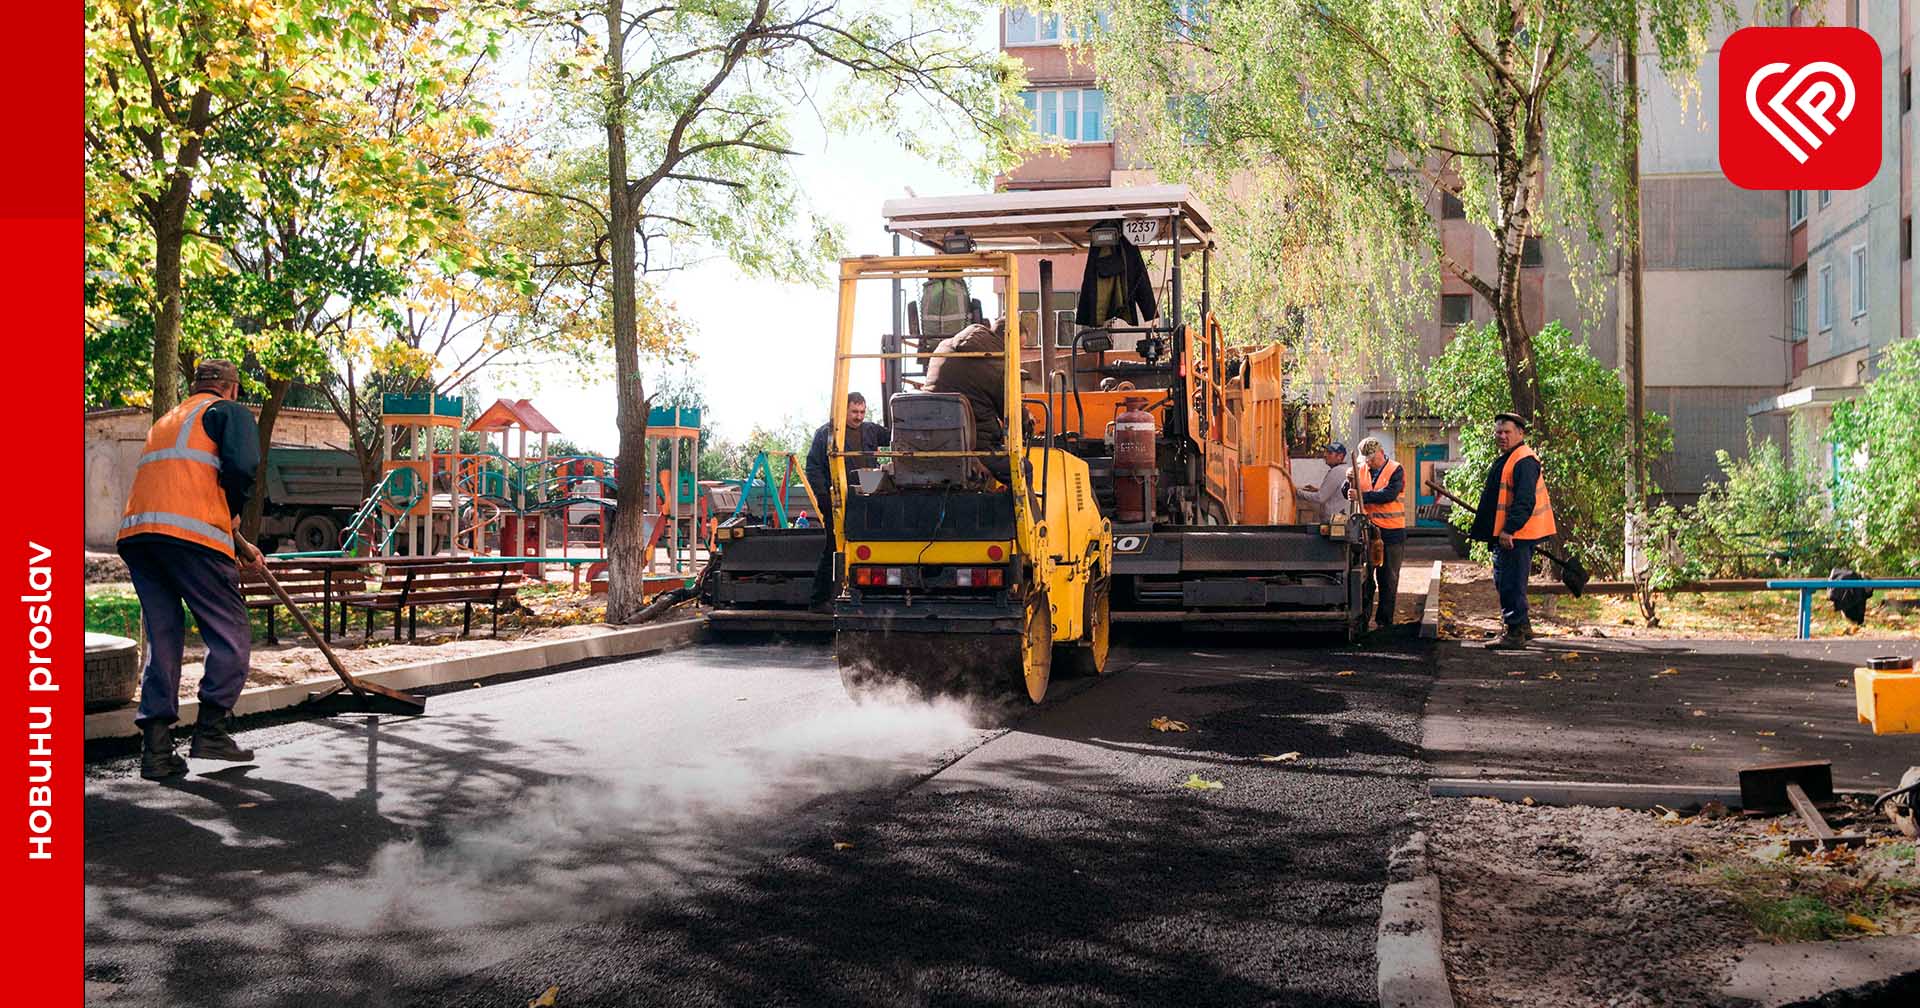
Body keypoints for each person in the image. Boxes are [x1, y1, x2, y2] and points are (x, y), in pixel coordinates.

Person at [118, 360, 268, 780]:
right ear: (231, 388)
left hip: (140, 536)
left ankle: (157, 751)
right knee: (230, 631)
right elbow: (241, 469)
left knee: (163, 637)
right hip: (193, 538)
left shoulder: (168, 419)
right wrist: (233, 515)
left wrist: (235, 537)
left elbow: (182, 479)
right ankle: (212, 730)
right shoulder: (228, 412)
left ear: (195, 385)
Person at [1470, 412, 1557, 648]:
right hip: (1512, 534)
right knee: (1506, 580)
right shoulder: (1511, 458)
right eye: (1498, 432)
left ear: (1520, 433)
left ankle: (1514, 633)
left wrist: (1509, 530)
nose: (1502, 436)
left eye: (1507, 432)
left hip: (1517, 535)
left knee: (1510, 582)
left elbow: (1524, 500)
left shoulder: (1523, 460)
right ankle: (1521, 625)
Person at [803, 392, 891, 605]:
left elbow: (895, 436)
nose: (859, 416)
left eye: (862, 412)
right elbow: (813, 467)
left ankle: (865, 596)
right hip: (837, 502)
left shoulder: (870, 430)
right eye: (854, 412)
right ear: (844, 411)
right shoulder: (826, 434)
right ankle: (819, 600)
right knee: (835, 547)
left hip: (866, 499)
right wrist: (823, 496)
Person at [923, 318, 1007, 453]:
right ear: (1009, 341)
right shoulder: (997, 364)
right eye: (1019, 347)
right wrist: (1027, 420)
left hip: (931, 437)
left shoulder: (942, 347)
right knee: (1024, 467)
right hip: (973, 444)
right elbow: (1009, 409)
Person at [1347, 437, 1406, 629]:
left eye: (1372, 459)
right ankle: (1362, 621)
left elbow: (1388, 494)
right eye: (1366, 460)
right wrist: (1348, 486)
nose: (1369, 463)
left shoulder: (1395, 469)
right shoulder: (1361, 470)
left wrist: (1362, 496)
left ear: (1381, 452)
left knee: (1388, 578)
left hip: (1391, 532)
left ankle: (1384, 623)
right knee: (1364, 578)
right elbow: (1348, 491)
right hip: (1366, 531)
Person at [1296, 442, 1351, 522]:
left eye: (1329, 453)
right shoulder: (1344, 469)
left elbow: (1320, 497)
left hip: (1333, 520)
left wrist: (1298, 492)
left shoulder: (1337, 471)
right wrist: (1318, 490)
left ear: (1340, 456)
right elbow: (1335, 493)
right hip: (1338, 518)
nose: (1325, 455)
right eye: (1325, 452)